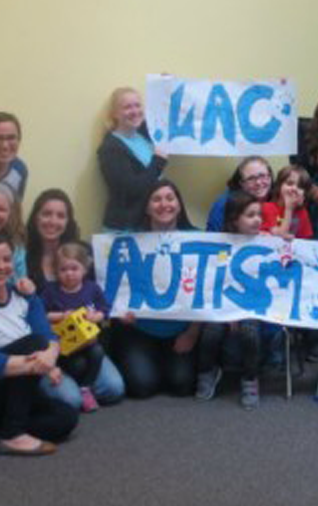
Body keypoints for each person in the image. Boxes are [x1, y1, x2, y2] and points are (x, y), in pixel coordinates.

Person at [26, 189, 125, 409]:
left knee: (114, 389)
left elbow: (97, 297)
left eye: (60, 215)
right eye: (46, 214)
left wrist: (96, 317)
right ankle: (67, 387)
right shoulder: (24, 257)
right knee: (70, 400)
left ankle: (81, 385)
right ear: (35, 217)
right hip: (47, 346)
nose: (53, 221)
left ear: (68, 220)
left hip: (84, 343)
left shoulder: (81, 253)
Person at [110, 180, 199, 398]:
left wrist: (192, 333)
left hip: (181, 331)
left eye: (170, 198)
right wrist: (119, 312)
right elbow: (113, 284)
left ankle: (163, 362)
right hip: (139, 329)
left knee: (182, 385)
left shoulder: (198, 239)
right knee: (142, 387)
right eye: (156, 199)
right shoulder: (128, 241)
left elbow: (205, 293)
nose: (163, 204)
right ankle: (146, 359)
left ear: (179, 205)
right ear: (147, 207)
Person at [0, 233, 78, 455]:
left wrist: (48, 360)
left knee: (66, 417)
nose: (2, 266)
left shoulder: (25, 297)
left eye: (6, 259)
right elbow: (37, 343)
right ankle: (12, 434)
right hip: (10, 376)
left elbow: (49, 337)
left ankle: (8, 425)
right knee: (32, 342)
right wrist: (34, 363)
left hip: (19, 387)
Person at [196, 191, 263, 408]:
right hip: (222, 304)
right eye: (250, 215)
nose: (257, 220)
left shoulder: (267, 241)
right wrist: (228, 312)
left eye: (259, 214)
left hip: (252, 306)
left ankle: (250, 378)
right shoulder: (219, 245)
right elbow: (214, 281)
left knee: (250, 333)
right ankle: (208, 371)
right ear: (235, 220)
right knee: (210, 333)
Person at [42, 243, 110, 413]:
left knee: (98, 352)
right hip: (63, 346)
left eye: (74, 268)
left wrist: (96, 316)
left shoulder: (92, 288)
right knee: (77, 365)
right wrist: (60, 316)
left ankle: (85, 388)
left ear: (84, 269)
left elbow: (105, 310)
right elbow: (40, 315)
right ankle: (70, 381)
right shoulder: (51, 291)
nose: (69, 273)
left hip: (89, 343)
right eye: (63, 269)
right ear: (56, 272)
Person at [97, 86, 167, 231]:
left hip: (147, 225)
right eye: (127, 107)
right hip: (124, 229)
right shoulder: (110, 148)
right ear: (115, 114)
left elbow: (165, 118)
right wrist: (158, 162)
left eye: (137, 105)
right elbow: (131, 190)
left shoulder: (143, 134)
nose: (135, 111)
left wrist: (163, 87)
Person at [206, 156, 274, 232]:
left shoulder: (279, 196)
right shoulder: (224, 204)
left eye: (262, 176)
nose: (258, 182)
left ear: (270, 177)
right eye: (251, 178)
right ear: (242, 184)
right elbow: (213, 239)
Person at [261, 165, 313, 240]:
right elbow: (279, 236)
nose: (294, 188)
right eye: (289, 183)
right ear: (279, 186)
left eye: (300, 186)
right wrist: (289, 209)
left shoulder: (302, 212)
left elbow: (305, 241)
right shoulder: (267, 207)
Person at [0, 112, 27, 200]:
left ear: (19, 140)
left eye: (11, 138)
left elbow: (15, 210)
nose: (4, 146)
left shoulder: (20, 170)